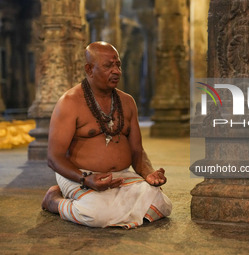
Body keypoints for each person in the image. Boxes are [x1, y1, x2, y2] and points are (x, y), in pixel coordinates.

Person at [41, 41, 172, 229]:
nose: (116, 71)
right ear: (89, 69)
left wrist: (148, 173)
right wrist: (85, 179)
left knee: (162, 204)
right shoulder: (69, 102)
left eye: (118, 64)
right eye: (108, 66)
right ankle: (54, 200)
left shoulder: (127, 102)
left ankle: (107, 204)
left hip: (119, 176)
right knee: (96, 215)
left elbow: (137, 151)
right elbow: (54, 158)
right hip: (79, 175)